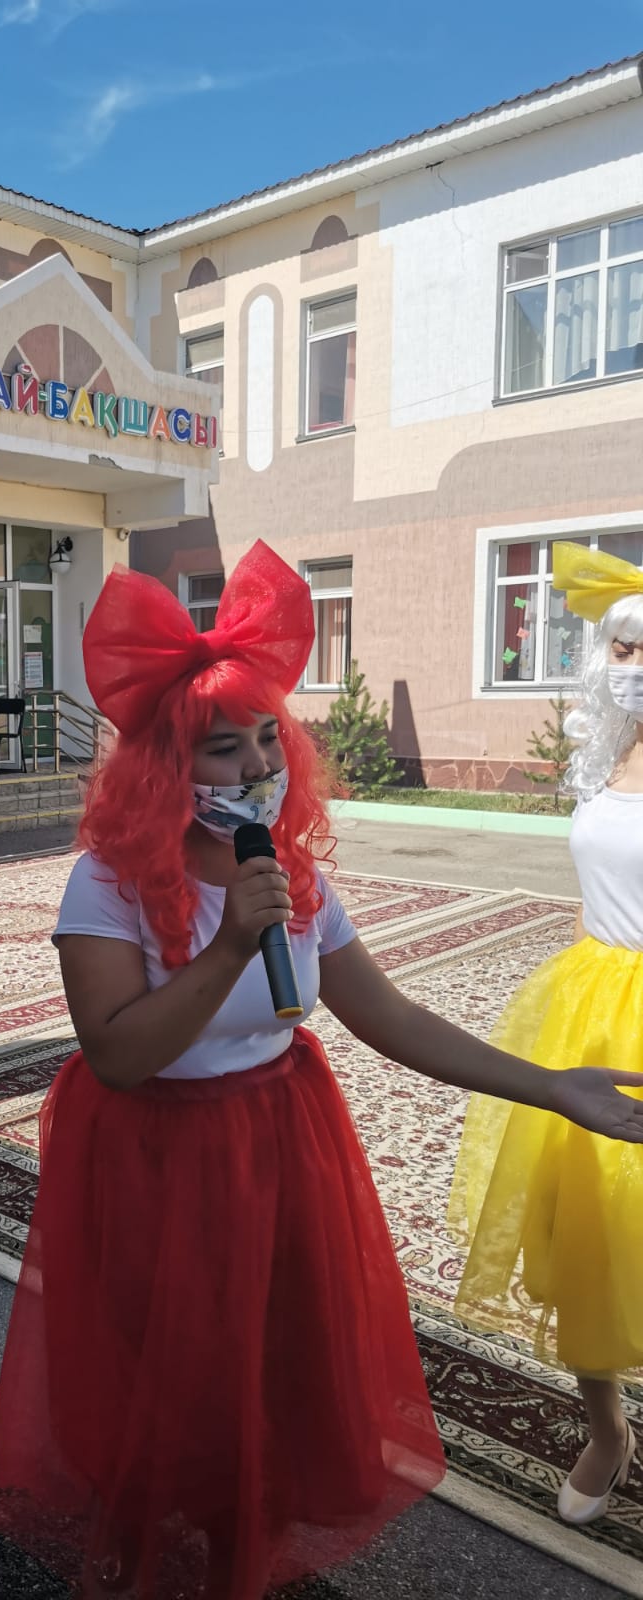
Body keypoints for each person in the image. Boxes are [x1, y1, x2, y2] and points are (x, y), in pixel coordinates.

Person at [0, 543, 643, 1600]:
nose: (254, 767)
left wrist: (551, 1084)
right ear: (164, 765)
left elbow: (388, 1015)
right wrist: (227, 948)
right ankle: (140, 1547)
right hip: (155, 1161)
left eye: (265, 739)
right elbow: (117, 1054)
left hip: (279, 1145)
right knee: (168, 1374)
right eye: (222, 748)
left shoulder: (292, 877)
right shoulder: (106, 885)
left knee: (268, 1372)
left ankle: (237, 1558)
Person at [450, 541, 643, 1526]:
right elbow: (594, 892)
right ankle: (609, 1430)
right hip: (587, 1007)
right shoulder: (607, 755)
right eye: (623, 647)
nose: (632, 665)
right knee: (578, 1229)